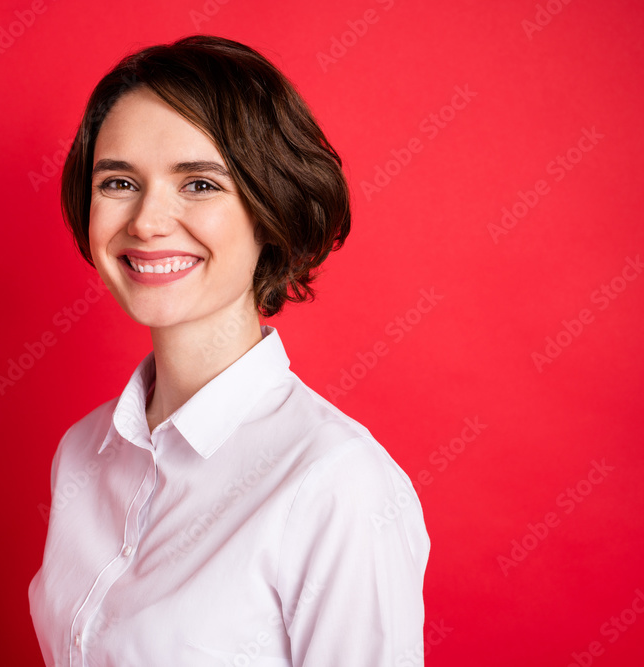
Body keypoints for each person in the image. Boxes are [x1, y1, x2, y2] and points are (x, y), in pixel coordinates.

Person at [28, 34, 429, 666]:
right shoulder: (82, 452)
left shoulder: (336, 485)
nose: (148, 221)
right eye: (119, 181)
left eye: (199, 185)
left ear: (270, 212)